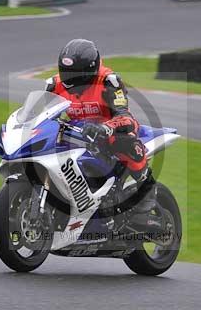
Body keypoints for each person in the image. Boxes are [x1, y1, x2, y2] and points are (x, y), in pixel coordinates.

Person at [45, 38, 158, 226]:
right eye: (66, 73)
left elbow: (124, 114)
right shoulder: (53, 85)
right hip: (77, 134)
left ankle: (147, 190)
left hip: (111, 129)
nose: (69, 79)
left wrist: (105, 128)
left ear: (91, 70)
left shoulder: (109, 81)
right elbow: (41, 114)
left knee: (123, 140)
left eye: (76, 74)